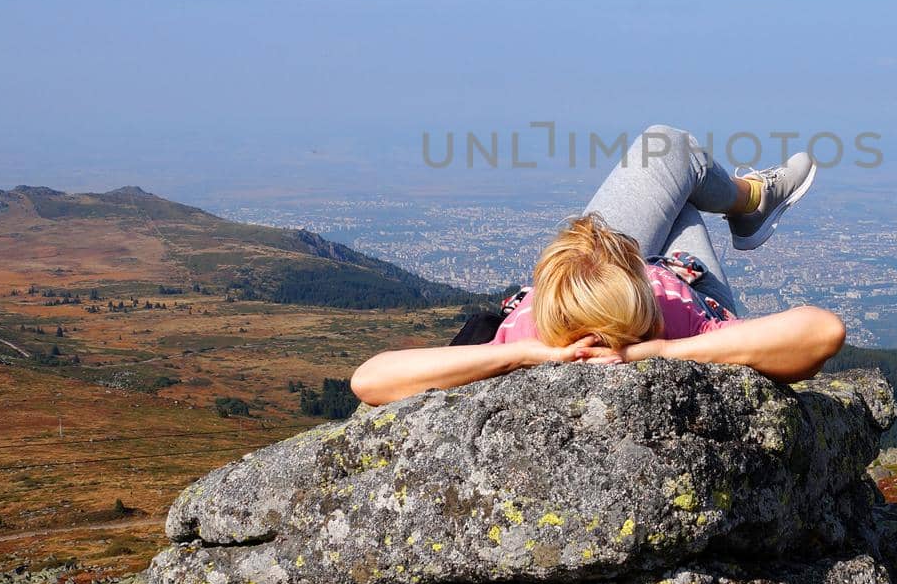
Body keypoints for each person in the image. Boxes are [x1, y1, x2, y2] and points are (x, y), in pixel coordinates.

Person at [350, 125, 844, 406]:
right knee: (668, 150)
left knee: (667, 150)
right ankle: (750, 201)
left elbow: (370, 380)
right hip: (682, 279)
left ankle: (749, 202)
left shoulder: (532, 335)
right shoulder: (672, 318)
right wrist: (660, 352)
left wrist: (521, 357)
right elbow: (821, 333)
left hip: (595, 284)